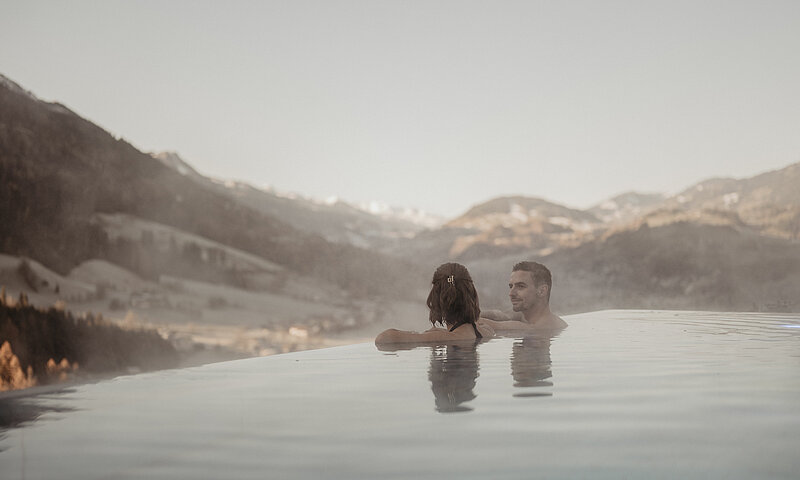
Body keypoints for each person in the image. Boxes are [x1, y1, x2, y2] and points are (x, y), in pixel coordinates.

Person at [375, 263, 494, 344]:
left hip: (451, 381)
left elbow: (382, 339)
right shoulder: (487, 332)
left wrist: (420, 335)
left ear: (436, 299)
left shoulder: (439, 338)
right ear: (472, 294)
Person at [479, 261, 567, 332]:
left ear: (542, 291)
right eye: (511, 286)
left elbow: (495, 325)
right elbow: (498, 315)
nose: (511, 293)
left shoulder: (543, 327)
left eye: (520, 286)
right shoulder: (525, 317)